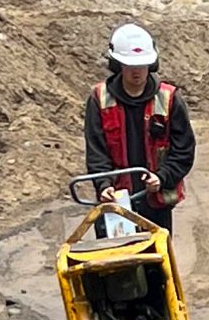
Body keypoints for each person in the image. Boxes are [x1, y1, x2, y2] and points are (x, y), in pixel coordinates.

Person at [82, 23, 196, 231]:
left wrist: (162, 178)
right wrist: (104, 185)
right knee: (116, 260)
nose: (137, 72)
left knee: (157, 260)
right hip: (116, 201)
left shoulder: (169, 99)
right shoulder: (99, 99)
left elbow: (184, 151)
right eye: (130, 66)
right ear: (118, 65)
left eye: (142, 65)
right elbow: (96, 152)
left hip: (156, 203)